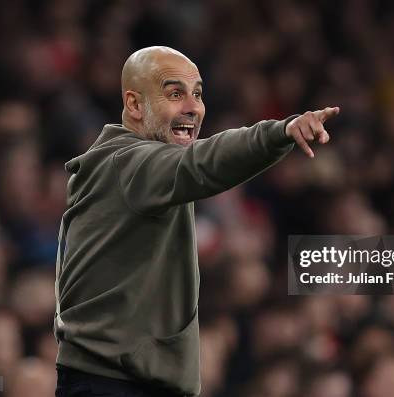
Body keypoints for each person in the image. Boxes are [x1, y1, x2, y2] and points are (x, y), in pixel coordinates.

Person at [53, 46, 339, 397]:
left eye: (198, 94)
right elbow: (202, 162)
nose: (193, 107)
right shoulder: (128, 164)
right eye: (175, 94)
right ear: (134, 105)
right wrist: (278, 133)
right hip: (113, 384)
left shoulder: (140, 168)